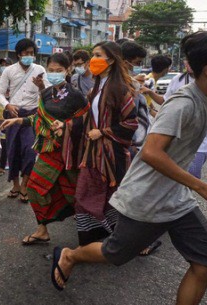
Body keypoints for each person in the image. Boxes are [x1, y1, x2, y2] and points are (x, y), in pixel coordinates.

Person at [52, 30, 207, 305]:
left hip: (175, 199)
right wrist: (201, 185)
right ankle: (70, 256)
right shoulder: (183, 103)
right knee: (115, 253)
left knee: (206, 262)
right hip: (146, 199)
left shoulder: (203, 99)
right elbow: (152, 152)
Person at [0, 53, 89, 244]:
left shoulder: (76, 96)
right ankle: (42, 229)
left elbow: (87, 122)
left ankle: (95, 230)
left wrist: (66, 127)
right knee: (34, 188)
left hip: (68, 152)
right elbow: (39, 119)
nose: (55, 74)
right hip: (49, 151)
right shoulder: (47, 93)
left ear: (68, 71)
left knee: (75, 193)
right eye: (51, 70)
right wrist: (18, 120)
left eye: (59, 71)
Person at [69, 41, 138, 246]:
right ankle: (104, 239)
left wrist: (104, 132)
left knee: (104, 196)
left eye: (98, 55)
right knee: (89, 195)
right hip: (93, 152)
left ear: (111, 59)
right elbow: (88, 118)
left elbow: (131, 122)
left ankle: (122, 239)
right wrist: (64, 125)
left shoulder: (119, 88)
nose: (93, 60)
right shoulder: (98, 87)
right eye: (93, 55)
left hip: (110, 154)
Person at [0, 38, 51, 203]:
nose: (29, 56)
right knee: (12, 150)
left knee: (29, 150)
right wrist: (7, 106)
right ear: (19, 54)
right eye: (26, 53)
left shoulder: (40, 69)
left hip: (32, 115)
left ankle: (25, 185)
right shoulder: (9, 71)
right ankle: (15, 185)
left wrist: (41, 86)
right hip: (13, 113)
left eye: (31, 53)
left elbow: (47, 93)